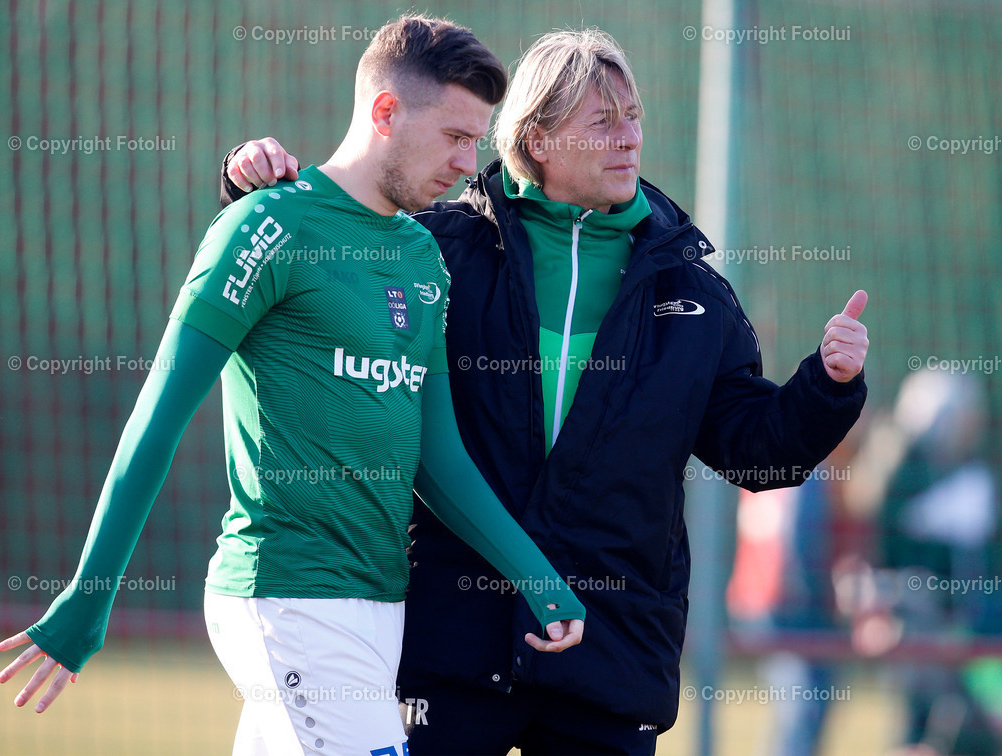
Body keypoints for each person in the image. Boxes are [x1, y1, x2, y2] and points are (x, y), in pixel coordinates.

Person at [222, 27, 870, 756]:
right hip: (450, 648)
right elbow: (324, 263)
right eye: (603, 122)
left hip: (609, 660)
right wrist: (258, 184)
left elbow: (760, 456)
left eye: (634, 116)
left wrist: (828, 384)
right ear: (537, 140)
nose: (630, 138)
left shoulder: (692, 295)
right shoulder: (433, 249)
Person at [0, 16, 587, 756]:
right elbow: (157, 418)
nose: (470, 162)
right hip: (286, 594)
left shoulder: (423, 259)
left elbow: (440, 459)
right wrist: (89, 598)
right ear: (384, 113)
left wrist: (537, 576)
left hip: (378, 607)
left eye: (477, 139)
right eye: (454, 137)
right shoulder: (266, 225)